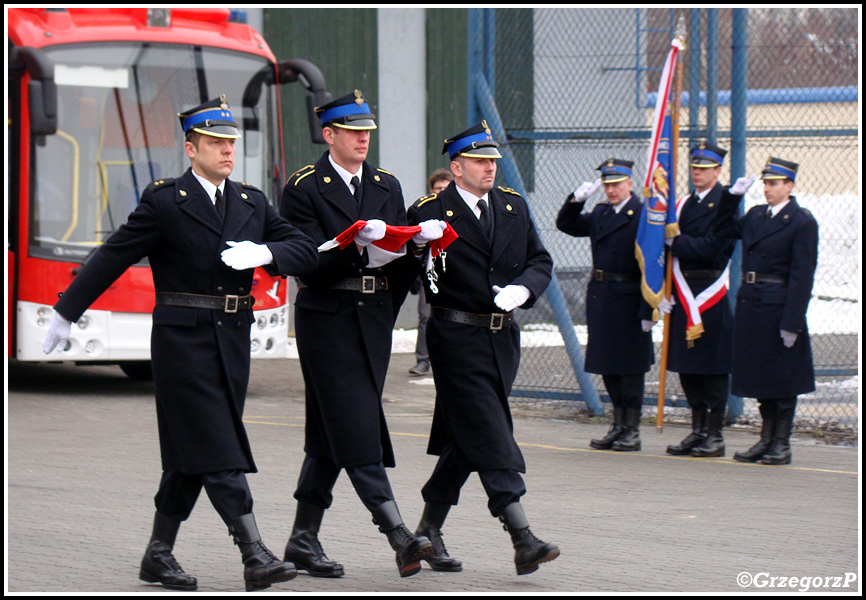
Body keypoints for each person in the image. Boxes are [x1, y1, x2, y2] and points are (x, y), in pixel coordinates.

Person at [42, 95, 319, 592]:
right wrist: (67, 309)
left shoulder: (251, 202)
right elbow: (113, 255)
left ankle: (158, 554)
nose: (227, 151)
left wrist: (267, 251)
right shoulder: (166, 201)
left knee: (192, 453)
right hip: (182, 342)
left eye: (231, 142)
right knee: (218, 444)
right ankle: (253, 552)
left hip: (232, 342)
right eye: (215, 143)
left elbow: (305, 249)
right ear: (191, 149)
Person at [279, 90, 435, 578]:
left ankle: (303, 539)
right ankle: (398, 533)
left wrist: (415, 249)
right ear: (329, 135)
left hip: (372, 316)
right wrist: (353, 248)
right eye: (352, 131)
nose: (363, 138)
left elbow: (399, 259)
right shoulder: (304, 187)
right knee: (355, 420)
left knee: (332, 431)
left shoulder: (387, 185)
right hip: (326, 315)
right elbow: (306, 257)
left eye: (367, 130)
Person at [407, 121, 559, 576]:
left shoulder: (511, 206)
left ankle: (426, 532)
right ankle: (521, 535)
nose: (489, 167)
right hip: (455, 336)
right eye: (479, 161)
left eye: (492, 159)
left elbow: (540, 260)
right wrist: (417, 243)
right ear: (456, 167)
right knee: (490, 428)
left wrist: (522, 292)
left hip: (501, 336)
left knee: (468, 433)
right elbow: (408, 265)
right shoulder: (431, 210)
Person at [714, 158, 818, 465]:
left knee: (782, 379)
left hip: (778, 305)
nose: (767, 189)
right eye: (765, 183)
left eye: (774, 183)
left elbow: (802, 276)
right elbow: (721, 228)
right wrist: (730, 198)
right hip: (752, 304)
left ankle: (781, 443)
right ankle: (766, 439)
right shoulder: (756, 215)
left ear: (789, 186)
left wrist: (792, 322)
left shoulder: (801, 221)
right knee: (760, 377)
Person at [556, 159, 654, 452]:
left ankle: (632, 428)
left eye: (616, 184)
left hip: (631, 296)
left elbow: (652, 263)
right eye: (607, 185)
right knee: (609, 364)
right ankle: (618, 424)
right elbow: (567, 225)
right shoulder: (600, 213)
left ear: (630, 184)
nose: (611, 190)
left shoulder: (644, 215)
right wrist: (576, 200)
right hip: (602, 295)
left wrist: (649, 307)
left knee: (631, 367)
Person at [660, 143, 736, 458]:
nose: (698, 173)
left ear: (718, 172)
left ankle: (715, 434)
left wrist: (676, 242)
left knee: (713, 368)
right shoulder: (684, 204)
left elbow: (713, 248)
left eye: (704, 169)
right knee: (688, 367)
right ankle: (698, 428)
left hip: (710, 293)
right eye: (694, 168)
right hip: (681, 291)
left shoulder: (725, 205)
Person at [409, 168, 454, 376]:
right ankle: (423, 360)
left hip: (453, 275)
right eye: (438, 189)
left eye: (446, 188)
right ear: (431, 189)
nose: (441, 192)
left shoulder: (458, 210)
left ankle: (446, 360)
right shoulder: (423, 210)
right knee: (426, 317)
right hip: (429, 275)